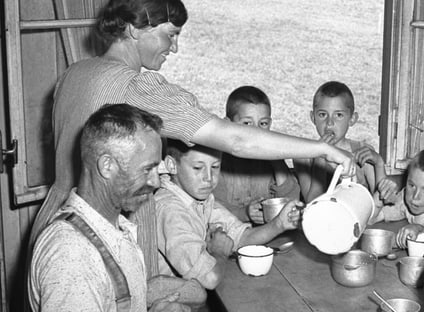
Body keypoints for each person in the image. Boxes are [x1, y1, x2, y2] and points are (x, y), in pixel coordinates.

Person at [28, 0, 354, 277]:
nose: (175, 46)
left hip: (56, 223)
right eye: (170, 34)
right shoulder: (136, 88)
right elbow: (237, 141)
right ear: (133, 29)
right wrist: (320, 147)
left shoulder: (75, 73)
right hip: (103, 239)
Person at [29, 104, 199, 312]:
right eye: (147, 169)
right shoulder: (70, 251)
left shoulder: (108, 225)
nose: (156, 181)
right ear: (106, 166)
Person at [155, 138, 303, 289]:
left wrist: (279, 224)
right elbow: (210, 279)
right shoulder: (170, 210)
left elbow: (242, 238)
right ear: (172, 165)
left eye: (215, 166)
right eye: (198, 168)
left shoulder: (200, 199)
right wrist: (219, 252)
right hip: (166, 304)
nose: (208, 177)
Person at [212, 86, 301, 223]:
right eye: (247, 123)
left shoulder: (271, 160)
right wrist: (244, 213)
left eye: (263, 124)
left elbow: (291, 198)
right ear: (228, 124)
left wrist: (276, 161)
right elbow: (213, 206)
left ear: (270, 124)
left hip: (267, 233)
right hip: (229, 233)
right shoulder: (219, 162)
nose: (256, 132)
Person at [294, 81, 390, 202]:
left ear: (352, 119)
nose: (329, 123)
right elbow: (312, 203)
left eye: (338, 115)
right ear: (313, 118)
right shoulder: (303, 157)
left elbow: (381, 202)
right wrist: (320, 156)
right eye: (322, 114)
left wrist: (378, 162)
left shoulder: (363, 152)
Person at [369, 147, 424, 249]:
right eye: (412, 185)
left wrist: (418, 229)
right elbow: (371, 219)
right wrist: (380, 197)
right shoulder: (406, 199)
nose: (415, 197)